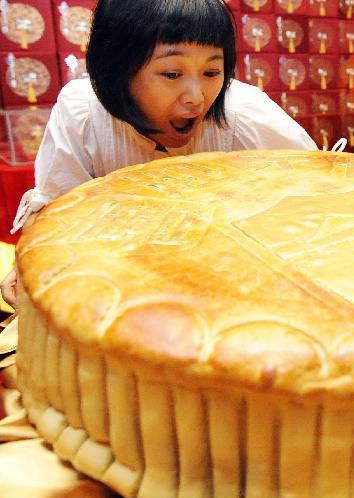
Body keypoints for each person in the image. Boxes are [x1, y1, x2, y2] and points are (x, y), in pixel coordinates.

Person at [0, 0, 318, 310]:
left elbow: (316, 197)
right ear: (118, 70)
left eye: (211, 72)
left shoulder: (243, 114)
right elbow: (61, 221)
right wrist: (39, 262)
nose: (197, 97)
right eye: (172, 74)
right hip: (117, 297)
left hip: (235, 297)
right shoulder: (83, 114)